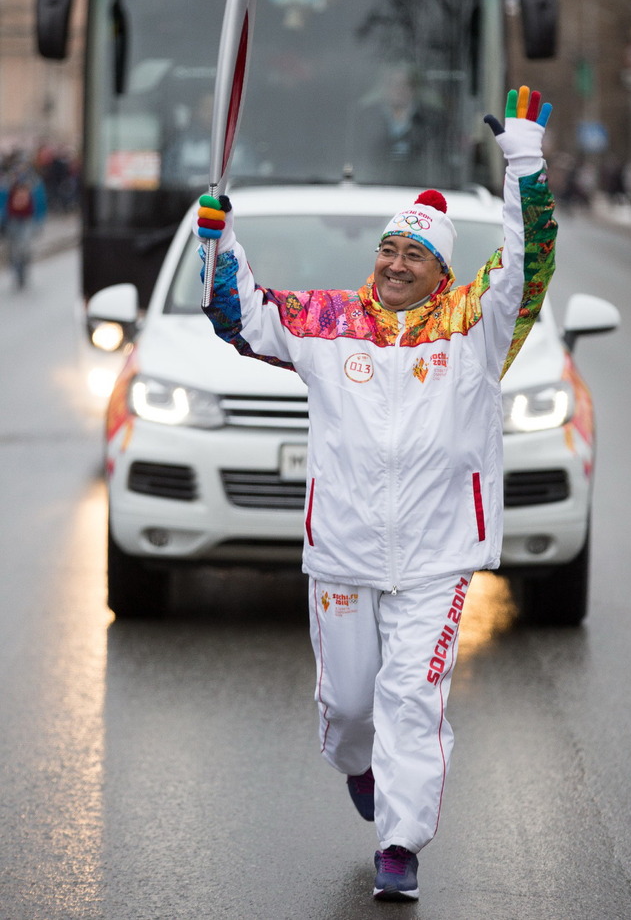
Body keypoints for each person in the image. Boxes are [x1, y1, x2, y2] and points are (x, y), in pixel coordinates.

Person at [193, 86, 556, 902]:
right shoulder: (330, 322)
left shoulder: (474, 325)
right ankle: (357, 765)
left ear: (441, 271)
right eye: (389, 249)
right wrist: (217, 239)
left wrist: (524, 162)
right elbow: (237, 315)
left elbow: (529, 264)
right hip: (346, 552)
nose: (395, 264)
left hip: (437, 556)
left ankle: (400, 842)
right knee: (351, 705)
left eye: (414, 255)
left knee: (410, 696)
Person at [0, 152, 47, 289]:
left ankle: (24, 269)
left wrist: (39, 220)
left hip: (27, 220)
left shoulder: (34, 182)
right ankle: (17, 272)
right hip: (11, 219)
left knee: (24, 247)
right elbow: (2, 199)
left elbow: (40, 202)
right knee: (13, 249)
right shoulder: (8, 181)